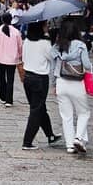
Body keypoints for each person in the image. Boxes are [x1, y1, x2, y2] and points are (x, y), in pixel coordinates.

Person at [51, 20, 93, 154]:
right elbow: (87, 65)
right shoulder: (80, 45)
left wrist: (53, 84)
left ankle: (70, 145)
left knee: (66, 116)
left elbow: (53, 68)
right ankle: (78, 138)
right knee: (83, 112)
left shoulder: (57, 46)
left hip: (61, 83)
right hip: (77, 83)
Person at [18, 21, 61, 150]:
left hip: (28, 78)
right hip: (40, 78)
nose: (47, 27)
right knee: (36, 110)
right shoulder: (44, 43)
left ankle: (50, 135)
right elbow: (53, 56)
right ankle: (27, 141)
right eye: (45, 25)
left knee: (40, 108)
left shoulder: (27, 42)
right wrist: (55, 43)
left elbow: (24, 58)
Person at [0, 13, 23, 106]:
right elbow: (20, 45)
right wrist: (20, 56)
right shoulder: (16, 32)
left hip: (0, 58)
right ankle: (9, 100)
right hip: (12, 59)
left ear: (2, 19)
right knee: (10, 79)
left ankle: (2, 97)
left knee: (1, 78)